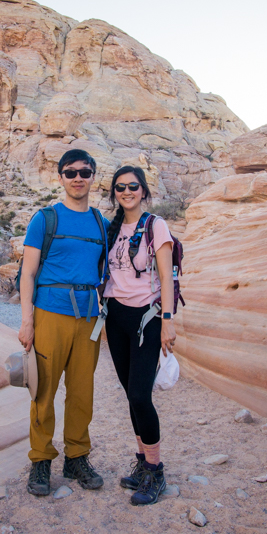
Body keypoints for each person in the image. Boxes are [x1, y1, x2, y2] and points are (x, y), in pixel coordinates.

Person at [18, 149, 110, 496]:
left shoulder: (100, 223)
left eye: (84, 172)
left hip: (87, 319)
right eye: (70, 172)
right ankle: (41, 460)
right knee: (43, 390)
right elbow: (28, 273)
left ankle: (77, 457)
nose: (77, 178)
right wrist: (27, 321)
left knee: (82, 393)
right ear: (60, 178)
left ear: (92, 176)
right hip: (49, 315)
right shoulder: (45, 219)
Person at [102, 165, 177, 506]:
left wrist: (168, 320)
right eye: (120, 187)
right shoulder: (112, 227)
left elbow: (167, 277)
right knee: (130, 395)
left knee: (140, 395)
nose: (127, 191)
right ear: (114, 193)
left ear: (144, 190)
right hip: (116, 317)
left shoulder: (155, 226)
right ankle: (142, 463)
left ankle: (156, 471)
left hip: (146, 318)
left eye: (133, 186)